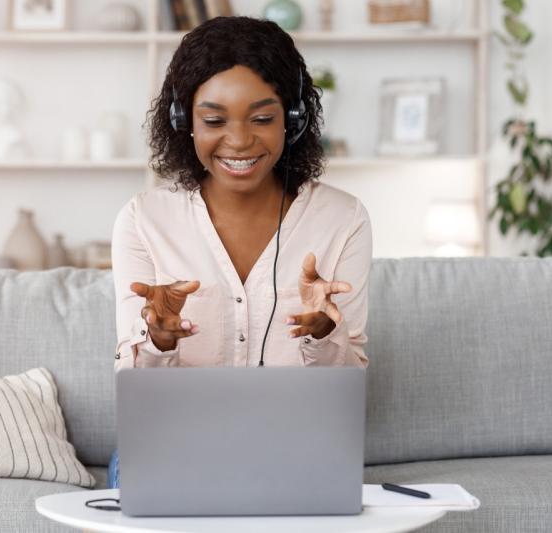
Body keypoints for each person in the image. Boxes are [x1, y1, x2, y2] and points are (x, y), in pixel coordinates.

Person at [107, 16, 373, 489]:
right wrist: (160, 339)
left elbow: (346, 397)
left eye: (262, 118)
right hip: (173, 445)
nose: (239, 140)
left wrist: (325, 334)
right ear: (183, 121)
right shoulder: (143, 221)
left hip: (297, 446)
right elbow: (137, 394)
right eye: (214, 120)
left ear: (294, 120)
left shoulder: (343, 219)